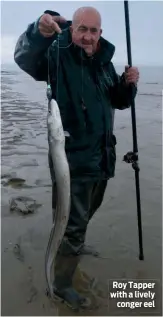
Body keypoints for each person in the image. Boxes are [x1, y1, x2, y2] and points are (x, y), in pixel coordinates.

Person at [14, 6, 139, 309]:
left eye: (93, 31)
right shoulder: (58, 55)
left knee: (84, 215)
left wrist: (127, 85)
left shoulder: (103, 64)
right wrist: (37, 33)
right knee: (70, 224)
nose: (86, 36)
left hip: (102, 159)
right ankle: (61, 285)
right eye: (81, 29)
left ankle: (75, 242)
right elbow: (26, 58)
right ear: (72, 30)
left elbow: (117, 101)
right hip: (72, 163)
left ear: (100, 34)